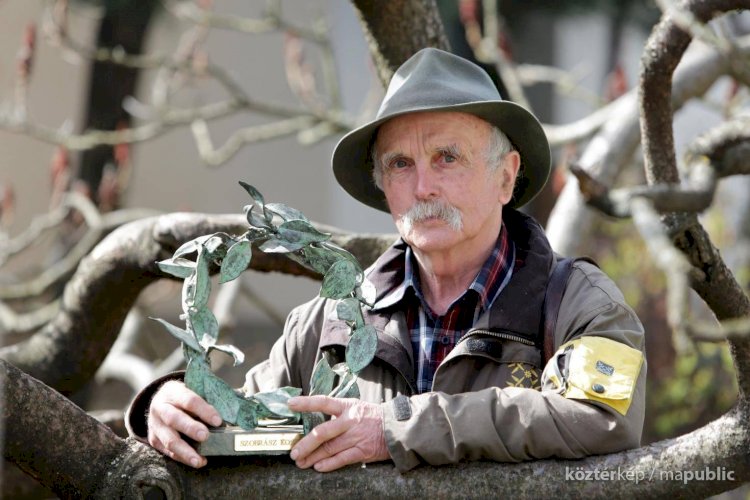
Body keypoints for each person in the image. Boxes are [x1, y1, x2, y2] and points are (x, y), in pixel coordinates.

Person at [127, 48, 646, 473]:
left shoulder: (578, 304)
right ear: (384, 187)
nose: (423, 187)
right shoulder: (327, 323)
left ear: (506, 177)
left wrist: (395, 427)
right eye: (401, 164)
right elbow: (241, 420)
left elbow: (600, 415)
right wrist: (164, 408)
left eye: (447, 157)